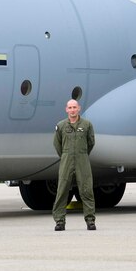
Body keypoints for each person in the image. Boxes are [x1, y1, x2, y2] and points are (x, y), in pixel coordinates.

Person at [52, 99, 96, 231]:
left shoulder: (87, 125)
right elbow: (57, 144)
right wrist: (66, 155)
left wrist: (82, 154)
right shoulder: (61, 126)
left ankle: (90, 220)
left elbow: (91, 142)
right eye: (70, 108)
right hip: (66, 160)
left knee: (86, 190)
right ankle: (59, 221)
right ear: (66, 109)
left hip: (82, 159)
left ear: (79, 109)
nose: (72, 110)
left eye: (74, 107)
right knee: (62, 190)